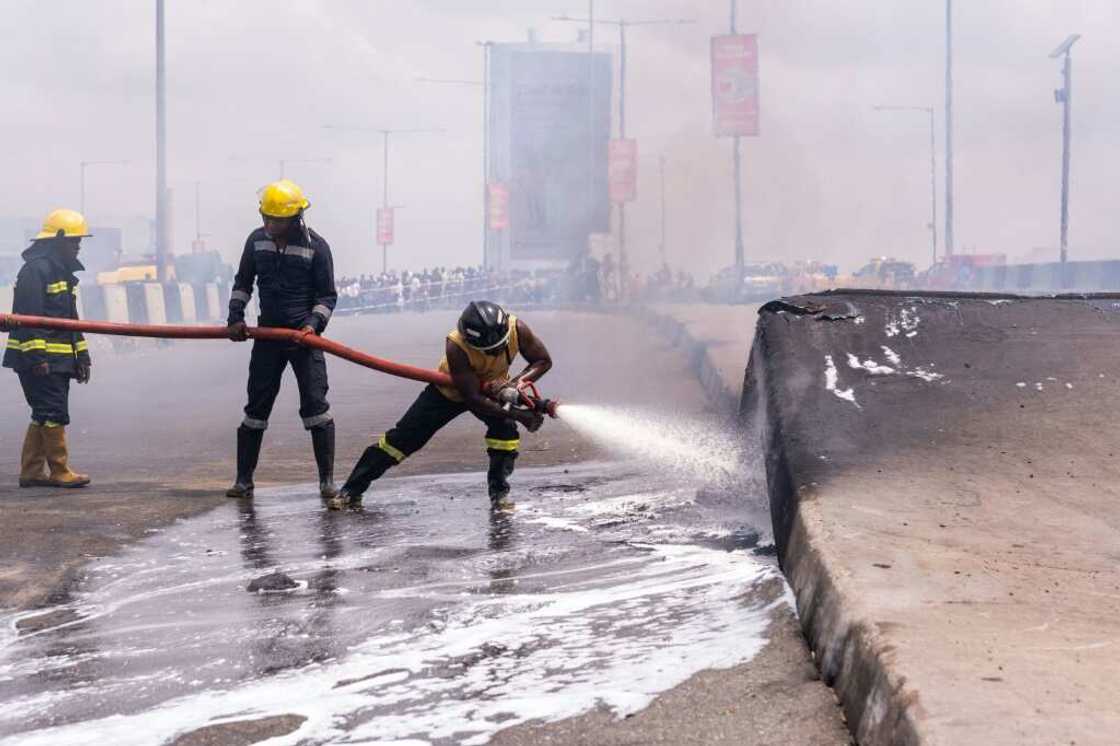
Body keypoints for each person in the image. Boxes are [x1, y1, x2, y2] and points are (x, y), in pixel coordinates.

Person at [331, 300, 551, 511]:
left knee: (505, 435)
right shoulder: (456, 346)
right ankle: (350, 492)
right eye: (488, 351)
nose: (495, 354)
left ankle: (499, 494)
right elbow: (473, 399)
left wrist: (514, 385)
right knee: (401, 440)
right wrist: (521, 415)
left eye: (499, 348)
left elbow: (542, 360)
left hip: (493, 389)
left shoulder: (517, 328)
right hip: (448, 392)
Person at [226, 179, 338, 500]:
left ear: (295, 218)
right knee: (256, 409)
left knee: (316, 407)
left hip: (304, 341)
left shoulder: (317, 247)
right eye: (266, 218)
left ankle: (326, 481)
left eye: (276, 219)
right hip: (267, 337)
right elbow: (243, 282)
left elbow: (327, 297)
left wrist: (313, 326)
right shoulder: (256, 241)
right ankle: (244, 480)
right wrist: (235, 316)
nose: (269, 224)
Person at [2, 209, 93, 488]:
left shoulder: (62, 273)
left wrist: (82, 355)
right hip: (40, 360)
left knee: (43, 412)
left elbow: (70, 320)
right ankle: (59, 469)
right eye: (73, 241)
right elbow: (29, 318)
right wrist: (37, 358)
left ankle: (31, 471)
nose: (78, 246)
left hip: (59, 359)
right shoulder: (36, 270)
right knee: (53, 412)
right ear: (57, 239)